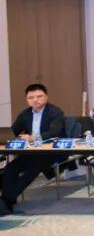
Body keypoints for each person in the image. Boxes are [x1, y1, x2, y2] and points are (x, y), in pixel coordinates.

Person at [1, 84, 65, 215]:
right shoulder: (25, 114)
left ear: (46, 97)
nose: (35, 100)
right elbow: (13, 131)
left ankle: (6, 201)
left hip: (51, 151)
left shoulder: (55, 112)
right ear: (27, 100)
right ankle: (6, 202)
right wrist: (8, 137)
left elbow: (55, 132)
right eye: (31, 98)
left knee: (32, 169)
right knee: (10, 169)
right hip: (31, 152)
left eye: (39, 96)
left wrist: (33, 137)